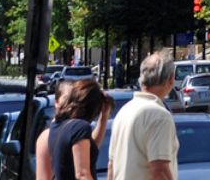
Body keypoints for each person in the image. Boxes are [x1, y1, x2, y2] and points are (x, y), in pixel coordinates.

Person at [107, 52, 178, 180]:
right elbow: (159, 169)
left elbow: (111, 166)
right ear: (171, 79)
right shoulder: (160, 116)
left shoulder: (124, 111)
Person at [38, 80, 110, 180]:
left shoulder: (56, 129)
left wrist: (103, 117)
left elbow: (88, 148)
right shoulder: (79, 127)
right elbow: (82, 175)